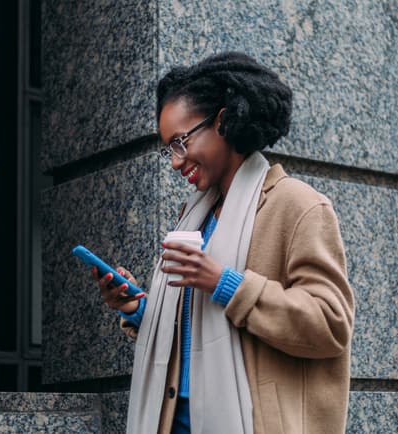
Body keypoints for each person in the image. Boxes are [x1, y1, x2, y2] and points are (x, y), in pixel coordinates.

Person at [92, 52, 354, 434]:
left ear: (222, 121)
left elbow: (331, 325)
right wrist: (138, 308)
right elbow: (196, 328)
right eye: (168, 149)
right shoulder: (197, 213)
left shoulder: (297, 205)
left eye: (180, 142)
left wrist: (225, 283)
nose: (175, 161)